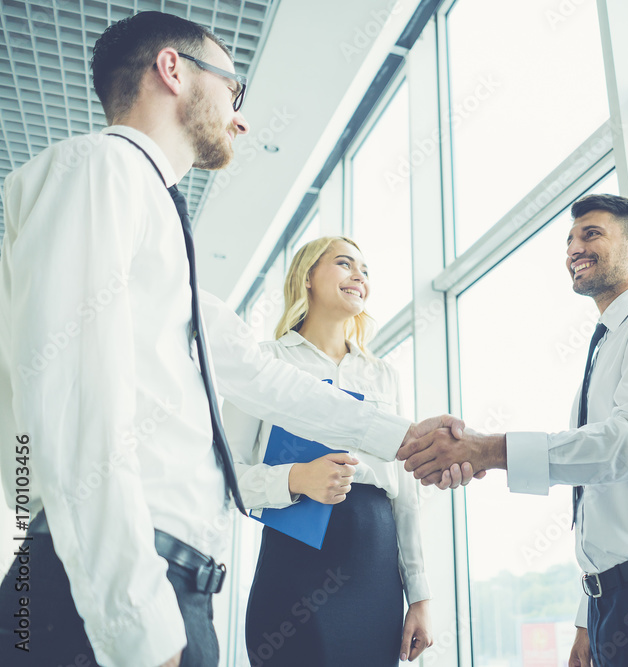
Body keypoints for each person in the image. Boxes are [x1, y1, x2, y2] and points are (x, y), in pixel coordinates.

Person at [0, 12, 464, 667]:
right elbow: (69, 400)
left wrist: (406, 438)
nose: (240, 119)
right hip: (115, 590)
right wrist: (141, 626)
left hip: (167, 586)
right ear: (172, 70)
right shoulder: (99, 170)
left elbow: (263, 376)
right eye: (234, 92)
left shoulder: (159, 234)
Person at [399, 194, 628, 666]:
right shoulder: (605, 345)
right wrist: (590, 617)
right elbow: (600, 493)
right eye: (569, 240)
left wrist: (490, 450)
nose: (573, 249)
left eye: (591, 234)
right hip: (617, 603)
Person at [223, 236, 435, 665]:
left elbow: (406, 496)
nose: (360, 276)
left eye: (366, 270)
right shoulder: (265, 362)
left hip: (374, 566)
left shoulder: (383, 376)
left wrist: (420, 595)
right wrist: (295, 478)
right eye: (344, 263)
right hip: (295, 559)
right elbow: (226, 476)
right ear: (307, 278)